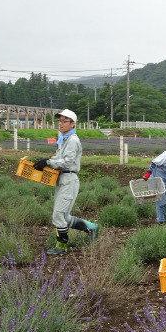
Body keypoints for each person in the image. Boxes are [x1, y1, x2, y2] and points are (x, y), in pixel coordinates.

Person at [33, 109, 98, 255]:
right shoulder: (63, 138)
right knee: (64, 217)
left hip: (69, 179)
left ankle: (61, 247)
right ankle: (92, 228)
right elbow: (60, 158)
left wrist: (48, 162)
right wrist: (46, 162)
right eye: (60, 121)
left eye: (64, 121)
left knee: (58, 215)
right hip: (62, 179)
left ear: (73, 124)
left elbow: (67, 163)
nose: (61, 124)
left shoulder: (73, 141)